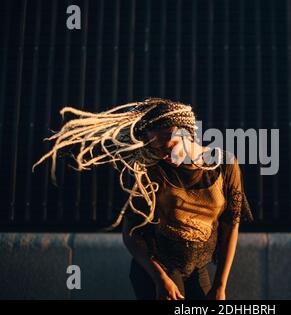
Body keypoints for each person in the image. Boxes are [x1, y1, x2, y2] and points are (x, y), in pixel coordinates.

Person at [32, 97, 253, 300]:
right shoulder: (149, 170)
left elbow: (230, 224)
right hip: (157, 267)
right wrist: (159, 278)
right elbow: (131, 233)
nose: (164, 156)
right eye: (156, 150)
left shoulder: (224, 165)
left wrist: (220, 286)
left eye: (169, 148)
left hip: (197, 269)